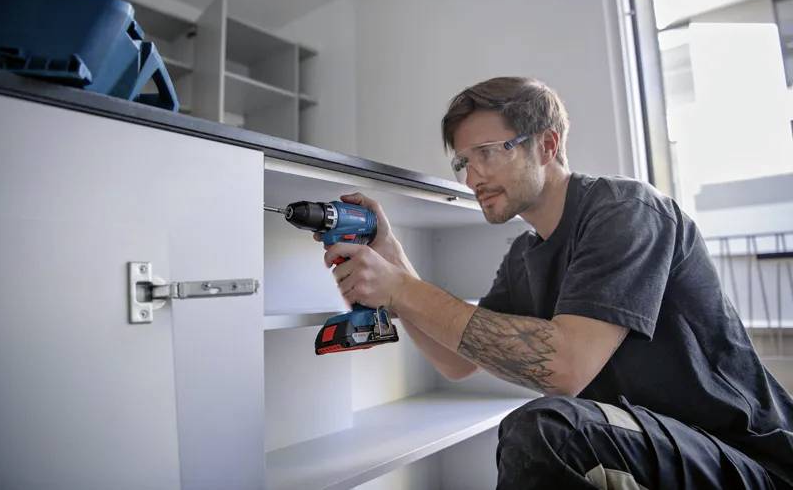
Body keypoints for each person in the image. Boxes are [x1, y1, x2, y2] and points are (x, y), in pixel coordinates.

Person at [320, 77, 793, 489]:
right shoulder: (524, 256)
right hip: (652, 445)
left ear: (546, 145)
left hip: (745, 460)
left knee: (549, 432)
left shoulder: (626, 210)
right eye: (463, 162)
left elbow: (565, 368)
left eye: (486, 153)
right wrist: (394, 265)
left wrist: (401, 290)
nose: (472, 177)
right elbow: (456, 360)